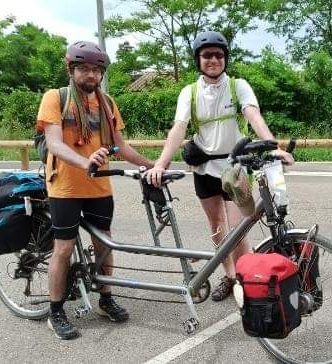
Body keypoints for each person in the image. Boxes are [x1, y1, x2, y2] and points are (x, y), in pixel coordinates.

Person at [146, 31, 294, 302]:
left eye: (218, 55)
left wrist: (272, 147)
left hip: (236, 168)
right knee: (216, 226)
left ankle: (247, 279)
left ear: (225, 58)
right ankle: (229, 276)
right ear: (198, 60)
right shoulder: (189, 93)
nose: (213, 59)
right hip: (204, 170)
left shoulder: (238, 86)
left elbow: (254, 115)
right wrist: (160, 163)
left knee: (238, 230)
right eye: (207, 55)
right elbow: (178, 129)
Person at [36, 41, 153, 340]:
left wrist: (153, 165)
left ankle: (105, 297)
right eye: (84, 69)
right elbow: (55, 143)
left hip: (99, 185)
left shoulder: (108, 103)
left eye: (96, 70)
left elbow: (121, 145)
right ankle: (55, 311)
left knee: (105, 243)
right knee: (62, 248)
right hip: (64, 186)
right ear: (71, 70)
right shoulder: (55, 98)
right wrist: (85, 161)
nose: (91, 75)